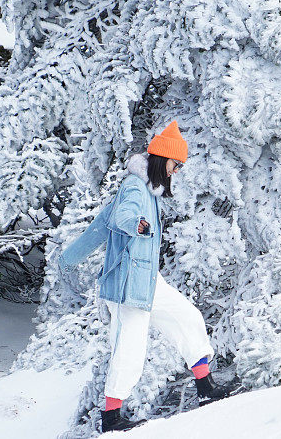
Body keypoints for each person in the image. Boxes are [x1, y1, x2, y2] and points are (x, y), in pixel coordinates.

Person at [57, 120, 235, 432]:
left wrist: (69, 258)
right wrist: (137, 224)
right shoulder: (134, 189)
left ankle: (205, 388)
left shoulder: (147, 193)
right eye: (175, 164)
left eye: (179, 166)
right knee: (130, 349)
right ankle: (111, 419)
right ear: (161, 158)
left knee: (187, 317)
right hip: (127, 287)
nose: (175, 171)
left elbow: (100, 225)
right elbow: (126, 215)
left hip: (148, 280)